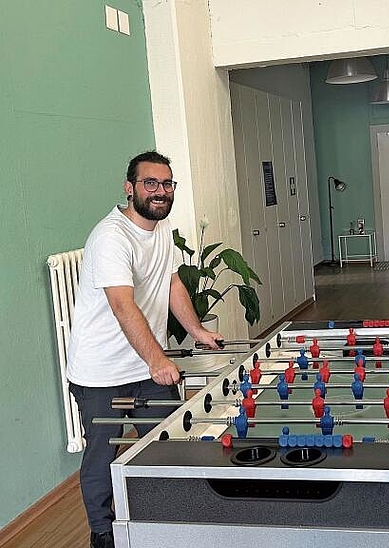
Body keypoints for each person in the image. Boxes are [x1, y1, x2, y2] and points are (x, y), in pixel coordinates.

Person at [67, 151, 223, 548]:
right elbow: (123, 305)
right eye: (150, 183)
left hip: (147, 368)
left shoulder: (162, 228)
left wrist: (197, 330)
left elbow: (171, 284)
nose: (160, 191)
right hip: (101, 372)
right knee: (104, 456)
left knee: (165, 445)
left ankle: (164, 522)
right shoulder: (110, 237)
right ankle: (104, 534)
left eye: (167, 184)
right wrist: (158, 359)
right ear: (130, 187)